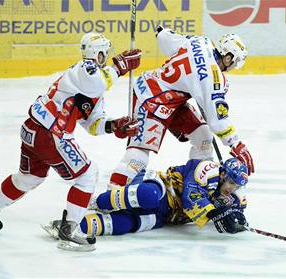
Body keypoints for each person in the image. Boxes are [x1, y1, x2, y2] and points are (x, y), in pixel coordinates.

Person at [0, 33, 142, 252]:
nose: (106, 57)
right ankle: (69, 230)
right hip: (51, 134)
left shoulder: (94, 86)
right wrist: (120, 66)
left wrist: (115, 126)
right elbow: (98, 81)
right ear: (97, 54)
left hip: (35, 130)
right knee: (88, 175)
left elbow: (93, 124)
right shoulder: (84, 69)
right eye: (104, 53)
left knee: (29, 177)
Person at [108, 26, 255, 190]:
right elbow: (217, 121)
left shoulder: (201, 41)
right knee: (139, 154)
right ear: (228, 58)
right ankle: (111, 195)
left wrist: (163, 31)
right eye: (234, 62)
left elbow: (164, 39)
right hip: (151, 98)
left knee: (204, 138)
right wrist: (236, 144)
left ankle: (196, 187)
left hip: (173, 101)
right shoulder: (214, 79)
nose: (233, 67)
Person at [42, 157, 249, 238]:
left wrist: (235, 217)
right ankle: (99, 201)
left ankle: (73, 226)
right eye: (231, 182)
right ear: (222, 174)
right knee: (148, 196)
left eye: (236, 185)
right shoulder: (208, 169)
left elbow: (236, 211)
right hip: (159, 187)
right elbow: (190, 200)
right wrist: (216, 214)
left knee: (129, 223)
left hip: (166, 216)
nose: (232, 189)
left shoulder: (232, 197)